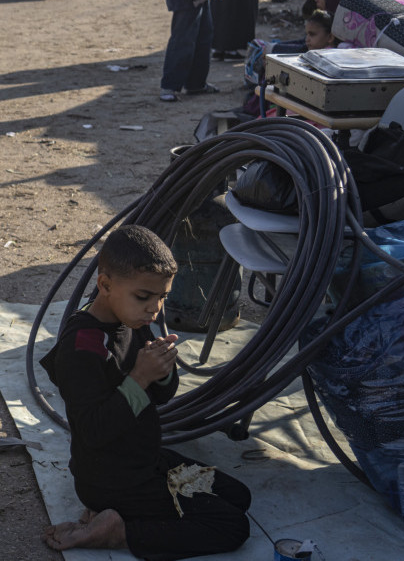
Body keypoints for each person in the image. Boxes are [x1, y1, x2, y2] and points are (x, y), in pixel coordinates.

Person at [40, 225, 252, 560]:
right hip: (112, 478)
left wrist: (163, 369)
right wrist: (139, 377)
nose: (154, 309)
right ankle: (120, 531)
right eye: (144, 297)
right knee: (232, 526)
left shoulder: (133, 320)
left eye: (162, 297)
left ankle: (123, 516)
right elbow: (94, 431)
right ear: (105, 285)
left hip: (146, 460)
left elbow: (162, 397)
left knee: (238, 496)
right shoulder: (83, 346)